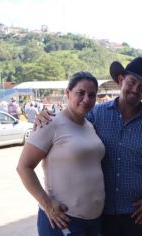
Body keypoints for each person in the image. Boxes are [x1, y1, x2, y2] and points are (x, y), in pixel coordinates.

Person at [35, 57, 142, 236]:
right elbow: (69, 123)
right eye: (132, 82)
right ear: (121, 80)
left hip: (138, 214)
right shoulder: (96, 114)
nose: (136, 89)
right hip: (102, 215)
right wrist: (45, 118)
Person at [17, 71, 105, 236]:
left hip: (93, 221)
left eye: (92, 95)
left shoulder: (89, 125)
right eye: (81, 93)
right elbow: (23, 167)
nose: (86, 99)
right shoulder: (51, 123)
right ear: (68, 93)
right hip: (63, 220)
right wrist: (47, 204)